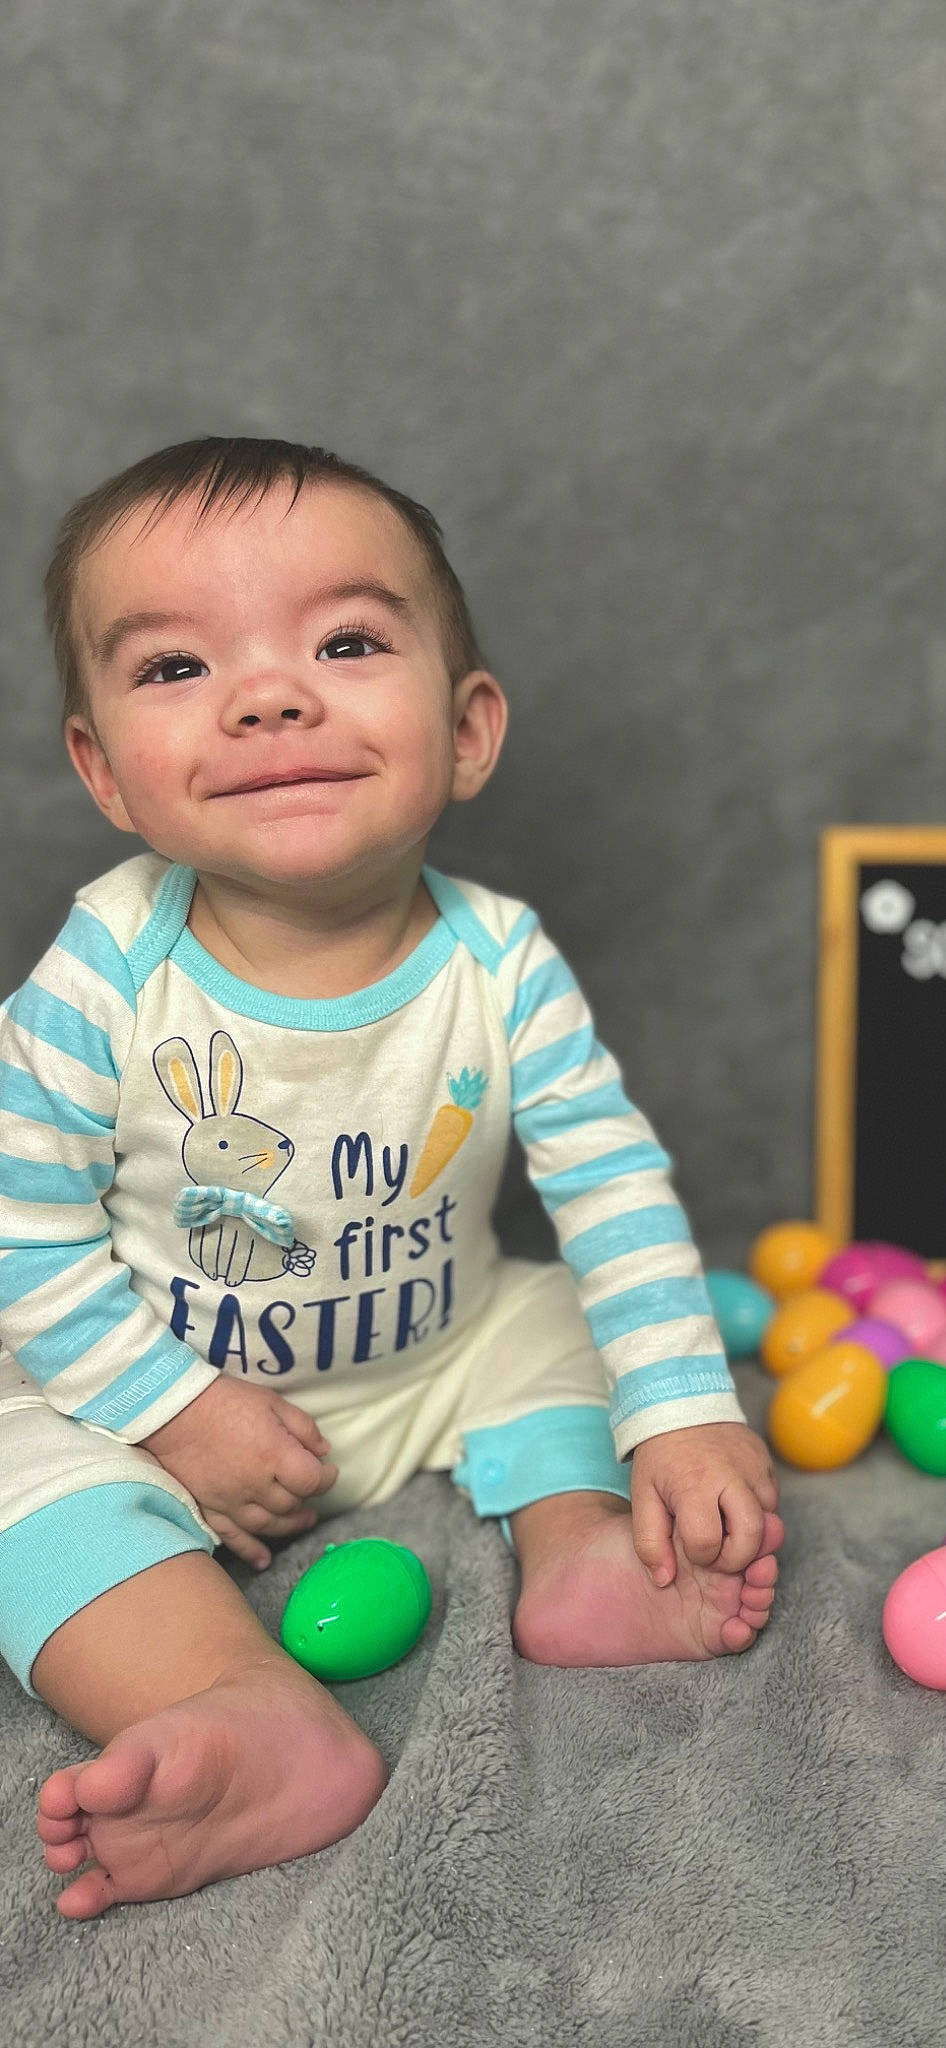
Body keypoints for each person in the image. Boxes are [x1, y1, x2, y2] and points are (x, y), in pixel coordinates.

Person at [0, 438, 782, 1918]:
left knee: (555, 1311)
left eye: (347, 643)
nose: (269, 694)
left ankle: (579, 1554)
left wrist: (680, 1412)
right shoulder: (107, 972)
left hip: (436, 1352)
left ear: (468, 728)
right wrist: (170, 1410)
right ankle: (238, 1703)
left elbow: (610, 1185)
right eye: (175, 669)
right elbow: (18, 1234)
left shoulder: (499, 962)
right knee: (4, 1451)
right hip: (161, 1399)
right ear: (101, 769)